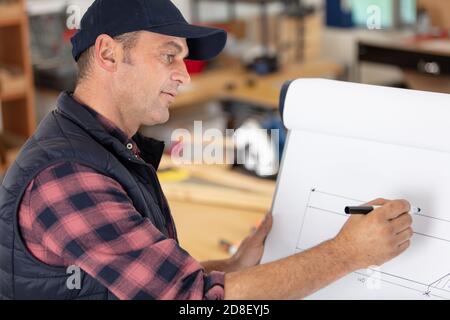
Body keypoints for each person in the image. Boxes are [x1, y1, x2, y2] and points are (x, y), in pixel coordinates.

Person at [0, 0, 413, 300]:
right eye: (169, 56)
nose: (184, 75)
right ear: (109, 53)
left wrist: (229, 270)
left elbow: (135, 279)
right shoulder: (68, 176)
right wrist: (347, 254)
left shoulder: (104, 148)